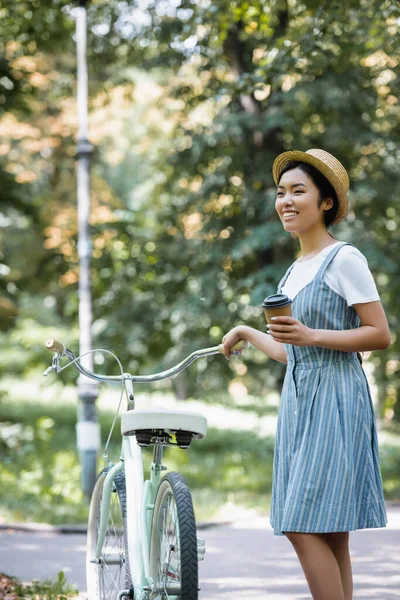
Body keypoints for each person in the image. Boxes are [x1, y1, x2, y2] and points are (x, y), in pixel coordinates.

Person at [222, 149, 391, 600]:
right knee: (330, 530)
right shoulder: (295, 270)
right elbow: (290, 350)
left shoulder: (344, 259)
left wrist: (313, 335)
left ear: (326, 203)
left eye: (299, 191)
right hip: (300, 399)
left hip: (337, 396)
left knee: (300, 521)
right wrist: (246, 332)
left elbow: (380, 335)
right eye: (281, 193)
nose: (286, 201)